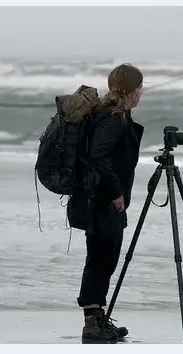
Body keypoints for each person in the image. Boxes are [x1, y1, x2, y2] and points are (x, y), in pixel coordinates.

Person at [67, 63, 145, 343]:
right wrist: (115, 193)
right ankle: (92, 324)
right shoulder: (110, 118)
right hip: (100, 201)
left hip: (102, 200)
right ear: (129, 90)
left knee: (105, 258)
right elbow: (98, 157)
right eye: (139, 88)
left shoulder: (117, 115)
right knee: (100, 259)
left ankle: (98, 317)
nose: (141, 93)